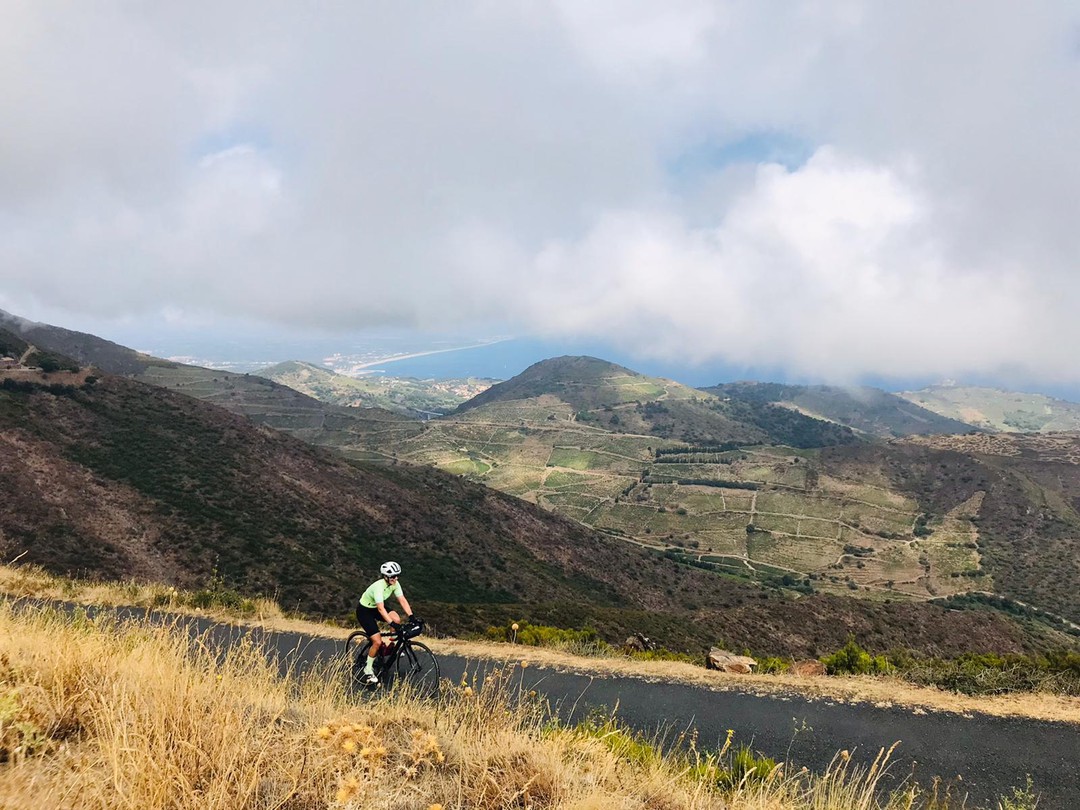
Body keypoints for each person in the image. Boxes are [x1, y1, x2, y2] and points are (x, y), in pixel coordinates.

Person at [355, 561, 414, 686]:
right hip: (365, 611)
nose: (396, 578)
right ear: (386, 576)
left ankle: (392, 646)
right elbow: (381, 609)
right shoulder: (378, 587)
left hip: (376, 608)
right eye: (393, 576)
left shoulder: (395, 584)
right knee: (377, 642)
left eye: (397, 575)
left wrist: (411, 616)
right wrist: (391, 623)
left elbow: (402, 600)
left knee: (397, 619)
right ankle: (368, 670)